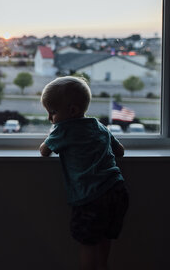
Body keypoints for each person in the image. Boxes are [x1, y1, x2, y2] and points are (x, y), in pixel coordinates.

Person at [39, 76, 128, 270]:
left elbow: (44, 151)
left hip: (91, 197)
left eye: (52, 113)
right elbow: (120, 150)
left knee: (87, 243)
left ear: (72, 111)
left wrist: (53, 133)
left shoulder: (63, 129)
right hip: (117, 189)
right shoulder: (99, 126)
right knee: (105, 237)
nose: (50, 119)